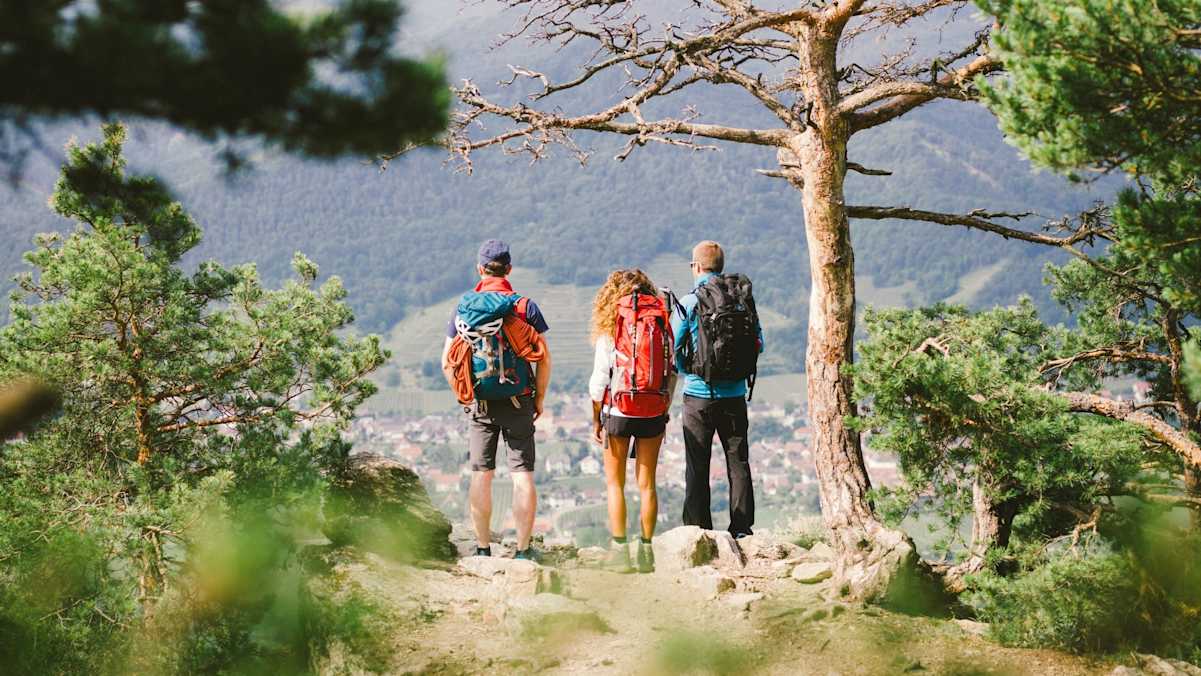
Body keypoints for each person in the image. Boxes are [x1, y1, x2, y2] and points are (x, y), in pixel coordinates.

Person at [441, 239, 552, 560]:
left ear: (479, 269)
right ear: (510, 269)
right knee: (522, 475)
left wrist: (465, 395)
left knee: (481, 474)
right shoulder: (524, 306)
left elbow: (447, 360)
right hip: (519, 399)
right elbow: (544, 358)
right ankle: (523, 550)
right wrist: (539, 398)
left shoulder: (464, 309)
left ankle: (482, 547)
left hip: (481, 403)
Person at [671, 241, 762, 538]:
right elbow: (758, 343)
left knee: (698, 464)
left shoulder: (690, 301)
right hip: (735, 395)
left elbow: (673, 347)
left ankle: (699, 531)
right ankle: (741, 529)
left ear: (696, 267)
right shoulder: (741, 298)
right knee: (738, 462)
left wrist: (689, 370)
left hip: (698, 395)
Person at [588, 269, 676, 573]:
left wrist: (596, 418)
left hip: (618, 410)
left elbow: (600, 379)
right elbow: (671, 370)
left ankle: (620, 551)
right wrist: (664, 406)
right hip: (653, 409)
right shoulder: (661, 322)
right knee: (647, 484)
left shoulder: (613, 325)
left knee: (615, 483)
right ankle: (647, 551)